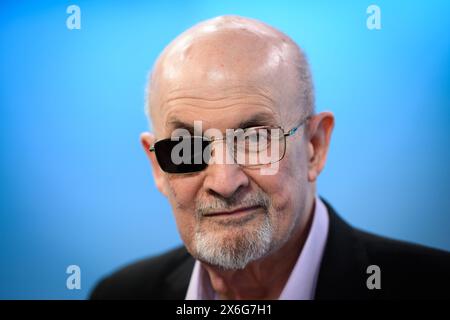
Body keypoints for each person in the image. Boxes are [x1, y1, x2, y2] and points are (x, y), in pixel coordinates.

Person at [90, 15, 450, 300]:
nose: (224, 182)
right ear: (157, 165)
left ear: (314, 145)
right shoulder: (120, 293)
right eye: (188, 148)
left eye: (255, 139)